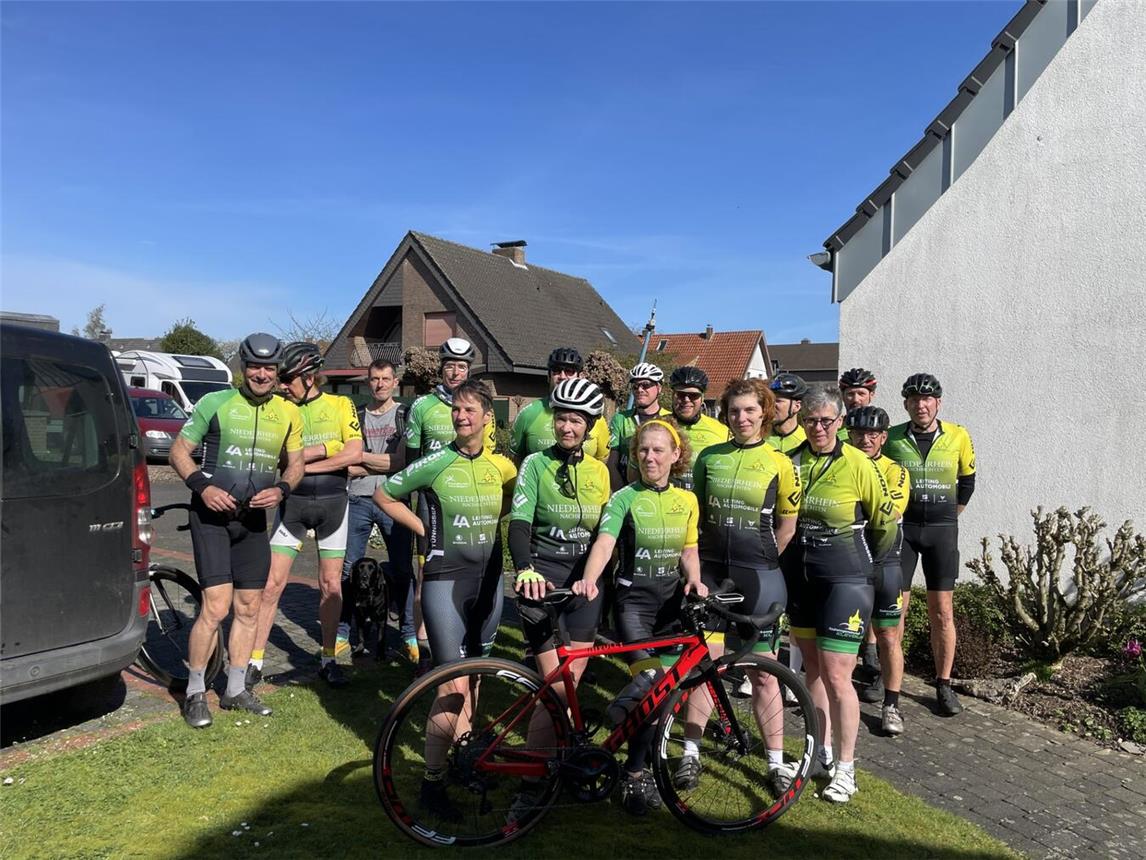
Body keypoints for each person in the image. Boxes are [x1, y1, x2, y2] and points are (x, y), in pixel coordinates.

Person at [373, 379, 516, 819]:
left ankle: (465, 760)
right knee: (451, 685)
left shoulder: (504, 467)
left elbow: (512, 506)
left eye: (471, 410)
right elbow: (384, 493)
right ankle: (431, 784)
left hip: (489, 582)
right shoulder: (435, 462)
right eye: (456, 409)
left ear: (488, 417)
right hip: (444, 581)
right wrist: (423, 529)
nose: (461, 416)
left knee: (476, 678)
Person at [168, 333, 304, 728]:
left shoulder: (289, 413)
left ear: (278, 372)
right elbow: (179, 451)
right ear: (242, 367)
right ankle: (195, 692)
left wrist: (281, 489)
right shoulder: (215, 402)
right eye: (255, 366)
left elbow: (295, 465)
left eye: (269, 368)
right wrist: (203, 487)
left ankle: (235, 689)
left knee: (248, 607)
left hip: (253, 521)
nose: (262, 374)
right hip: (211, 517)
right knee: (215, 607)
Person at [573, 417, 707, 816]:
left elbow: (688, 549)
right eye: (643, 450)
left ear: (675, 455)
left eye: (658, 450)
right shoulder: (624, 497)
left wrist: (696, 580)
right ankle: (624, 744)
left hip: (670, 608)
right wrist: (589, 580)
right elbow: (606, 541)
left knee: (662, 697)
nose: (650, 457)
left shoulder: (687, 500)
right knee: (650, 681)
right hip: (633, 607)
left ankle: (635, 769)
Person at [679, 378, 801, 792]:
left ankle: (775, 762)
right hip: (712, 572)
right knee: (703, 666)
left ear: (764, 413)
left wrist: (764, 561)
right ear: (725, 414)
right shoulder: (709, 457)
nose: (741, 417)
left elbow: (787, 526)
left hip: (759, 575)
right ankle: (691, 754)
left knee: (765, 674)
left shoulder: (780, 462)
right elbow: (694, 516)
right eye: (734, 411)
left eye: (749, 410)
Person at [787, 386, 898, 803]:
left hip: (846, 576)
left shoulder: (858, 463)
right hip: (802, 574)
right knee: (812, 669)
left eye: (827, 421)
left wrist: (868, 569)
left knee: (837, 673)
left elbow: (886, 526)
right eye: (811, 420)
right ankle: (821, 750)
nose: (818, 428)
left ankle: (847, 770)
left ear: (840, 422)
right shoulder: (791, 459)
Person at [507, 378, 612, 820]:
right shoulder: (535, 463)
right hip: (543, 582)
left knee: (571, 689)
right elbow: (519, 523)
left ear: (589, 427)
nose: (567, 427)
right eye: (562, 418)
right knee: (553, 691)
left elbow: (605, 535)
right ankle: (532, 785)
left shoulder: (600, 471)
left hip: (585, 588)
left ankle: (556, 766)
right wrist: (525, 568)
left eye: (576, 420)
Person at [249, 342, 363, 689]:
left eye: (287, 378)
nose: (282, 384)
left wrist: (304, 463)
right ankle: (253, 661)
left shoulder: (341, 404)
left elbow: (354, 453)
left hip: (333, 507)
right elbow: (277, 459)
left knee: (330, 585)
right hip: (293, 508)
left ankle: (328, 659)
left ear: (310, 376)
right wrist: (329, 449)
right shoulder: (281, 408)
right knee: (271, 585)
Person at [883, 373, 976, 717]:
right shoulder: (892, 438)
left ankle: (943, 683)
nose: (920, 405)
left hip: (941, 531)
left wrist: (950, 516)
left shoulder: (958, 435)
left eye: (927, 399)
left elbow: (967, 481)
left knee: (942, 612)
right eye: (913, 399)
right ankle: (888, 678)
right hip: (903, 531)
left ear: (938, 402)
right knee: (896, 612)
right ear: (905, 404)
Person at [404, 337, 495, 674]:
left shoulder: (482, 407)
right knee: (426, 577)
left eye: (462, 366)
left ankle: (458, 637)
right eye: (450, 366)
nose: (455, 372)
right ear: (440, 368)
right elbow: (410, 462)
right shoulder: (422, 407)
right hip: (429, 505)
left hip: (467, 506)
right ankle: (423, 648)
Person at [338, 359, 415, 662]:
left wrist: (361, 459)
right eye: (374, 379)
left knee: (401, 568)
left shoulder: (405, 415)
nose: (380, 384)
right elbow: (346, 461)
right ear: (367, 382)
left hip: (394, 499)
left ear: (395, 382)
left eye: (385, 378)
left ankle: (408, 633)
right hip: (357, 499)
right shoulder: (356, 416)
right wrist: (366, 461)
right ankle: (343, 631)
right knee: (348, 569)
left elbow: (398, 463)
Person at [845, 406, 911, 735]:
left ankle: (892, 705)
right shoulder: (840, 464)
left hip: (885, 560)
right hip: (849, 562)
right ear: (849, 435)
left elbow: (891, 511)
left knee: (888, 636)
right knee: (844, 637)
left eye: (873, 434)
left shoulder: (895, 470)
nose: (865, 439)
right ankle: (839, 701)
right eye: (859, 434)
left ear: (884, 437)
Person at [509, 347, 610, 463]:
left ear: (580, 376)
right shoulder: (528, 413)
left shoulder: (596, 417)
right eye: (556, 370)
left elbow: (602, 463)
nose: (562, 376)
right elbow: (514, 462)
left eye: (569, 371)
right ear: (548, 376)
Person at [606, 362, 669, 491]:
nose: (640, 390)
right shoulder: (620, 419)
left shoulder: (669, 419)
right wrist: (623, 496)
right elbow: (612, 464)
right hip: (626, 487)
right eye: (635, 386)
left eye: (646, 385)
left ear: (659, 388)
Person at [665, 366, 729, 491]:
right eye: (680, 395)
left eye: (693, 396)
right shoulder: (658, 426)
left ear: (702, 398)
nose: (686, 400)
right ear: (672, 395)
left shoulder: (722, 430)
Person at [765, 373, 809, 454]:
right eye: (770, 400)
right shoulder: (758, 437)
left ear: (797, 406)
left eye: (778, 401)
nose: (771, 405)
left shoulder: (807, 440)